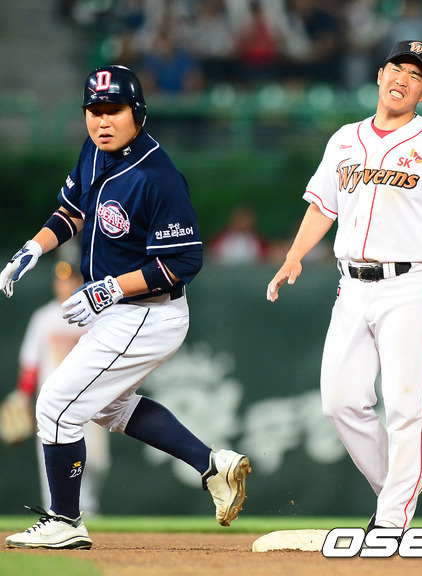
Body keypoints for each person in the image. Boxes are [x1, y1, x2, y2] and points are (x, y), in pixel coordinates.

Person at [0, 65, 250, 550]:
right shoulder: (94, 152)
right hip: (119, 310)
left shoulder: (157, 176)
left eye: (114, 110)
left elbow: (184, 262)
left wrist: (109, 289)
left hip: (149, 313)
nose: (102, 120)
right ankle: (212, 466)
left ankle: (66, 520)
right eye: (94, 110)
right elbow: (71, 211)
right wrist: (33, 247)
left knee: (55, 406)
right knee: (107, 406)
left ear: (138, 114)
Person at [267, 40, 422, 531]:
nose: (402, 79)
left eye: (415, 75)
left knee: (405, 407)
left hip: (409, 286)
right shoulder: (345, 139)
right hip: (352, 286)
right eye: (397, 68)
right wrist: (293, 256)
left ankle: (392, 519)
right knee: (338, 401)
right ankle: (397, 485)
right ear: (380, 75)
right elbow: (322, 207)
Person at [0, 260, 110, 516]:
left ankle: (87, 508)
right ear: (54, 284)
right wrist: (22, 396)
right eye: (61, 280)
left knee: (97, 461)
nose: (65, 284)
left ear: (80, 282)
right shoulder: (44, 318)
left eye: (70, 279)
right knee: (54, 462)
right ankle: (61, 513)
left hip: (89, 401)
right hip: (53, 404)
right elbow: (30, 363)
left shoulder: (94, 317)